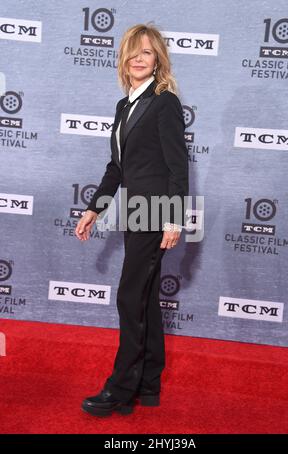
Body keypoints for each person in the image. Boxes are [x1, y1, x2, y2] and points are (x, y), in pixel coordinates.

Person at [75, 23, 189, 417]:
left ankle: (120, 388)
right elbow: (117, 167)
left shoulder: (164, 101)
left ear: (158, 61)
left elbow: (178, 167)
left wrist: (174, 219)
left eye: (147, 53)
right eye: (133, 52)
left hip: (156, 211)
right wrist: (94, 208)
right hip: (135, 210)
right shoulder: (126, 105)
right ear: (124, 59)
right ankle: (148, 385)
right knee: (144, 299)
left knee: (130, 297)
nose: (139, 59)